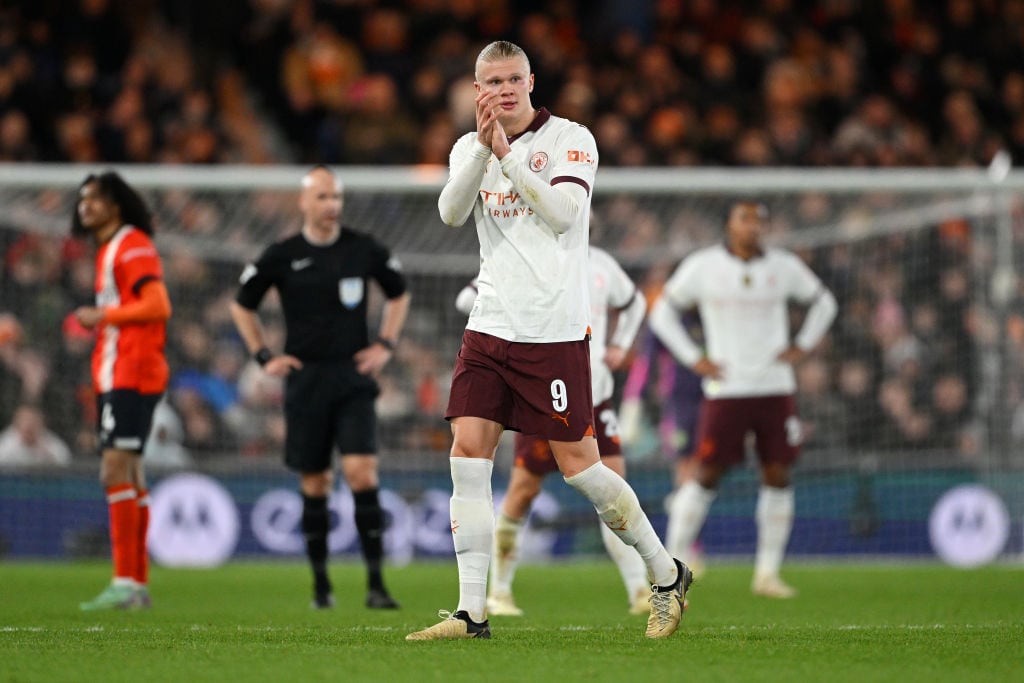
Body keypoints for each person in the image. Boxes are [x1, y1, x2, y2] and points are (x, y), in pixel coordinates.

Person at [406, 41, 691, 642]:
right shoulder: (468, 147)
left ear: (531, 80)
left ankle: (666, 574)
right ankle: (471, 613)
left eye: (513, 79)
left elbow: (563, 214)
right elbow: (451, 214)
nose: (504, 90)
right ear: (477, 90)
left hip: (553, 333)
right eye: (491, 82)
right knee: (467, 458)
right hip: (488, 327)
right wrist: (484, 154)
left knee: (582, 472)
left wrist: (509, 158)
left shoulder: (571, 139)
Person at [230, 165, 410, 610]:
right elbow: (242, 305)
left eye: (336, 198)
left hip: (352, 377)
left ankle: (376, 585)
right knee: (315, 481)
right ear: (304, 202)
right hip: (306, 380)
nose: (332, 206)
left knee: (362, 474)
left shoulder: (362, 249)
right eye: (323, 198)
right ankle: (321, 588)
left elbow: (399, 292)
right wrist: (263, 356)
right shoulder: (283, 254)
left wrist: (385, 344)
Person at [648, 200, 838, 598]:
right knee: (706, 474)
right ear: (729, 225)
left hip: (775, 386)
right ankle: (672, 566)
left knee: (777, 474)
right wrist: (693, 358)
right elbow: (662, 313)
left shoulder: (783, 266)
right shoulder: (704, 266)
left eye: (759, 220)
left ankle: (767, 574)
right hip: (727, 388)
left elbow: (825, 303)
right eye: (744, 219)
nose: (753, 226)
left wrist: (801, 346)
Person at [455, 244, 653, 617]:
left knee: (613, 488)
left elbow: (635, 303)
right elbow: (467, 298)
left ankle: (640, 589)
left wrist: (620, 344)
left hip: (597, 394)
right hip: (545, 392)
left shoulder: (602, 262)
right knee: (523, 491)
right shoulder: (528, 255)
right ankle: (499, 591)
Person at [72, 171, 172, 610]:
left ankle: (125, 580)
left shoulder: (130, 245)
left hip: (130, 371)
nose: (85, 206)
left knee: (114, 472)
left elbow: (158, 304)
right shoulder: (112, 247)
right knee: (129, 473)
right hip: (123, 371)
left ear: (116, 204)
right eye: (82, 200)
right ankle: (136, 585)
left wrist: (103, 315)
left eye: (94, 198)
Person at [619, 319, 706, 574]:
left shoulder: (712, 307)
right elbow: (644, 364)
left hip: (711, 397)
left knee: (699, 475)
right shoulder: (666, 318)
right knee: (686, 472)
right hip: (678, 402)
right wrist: (632, 404)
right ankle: (688, 549)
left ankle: (686, 544)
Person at [0, 403, 73, 467]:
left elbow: (65, 460)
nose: (28, 425)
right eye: (25, 421)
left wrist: (47, 454)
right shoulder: (7, 442)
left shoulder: (49, 441)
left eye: (33, 422)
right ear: (16, 424)